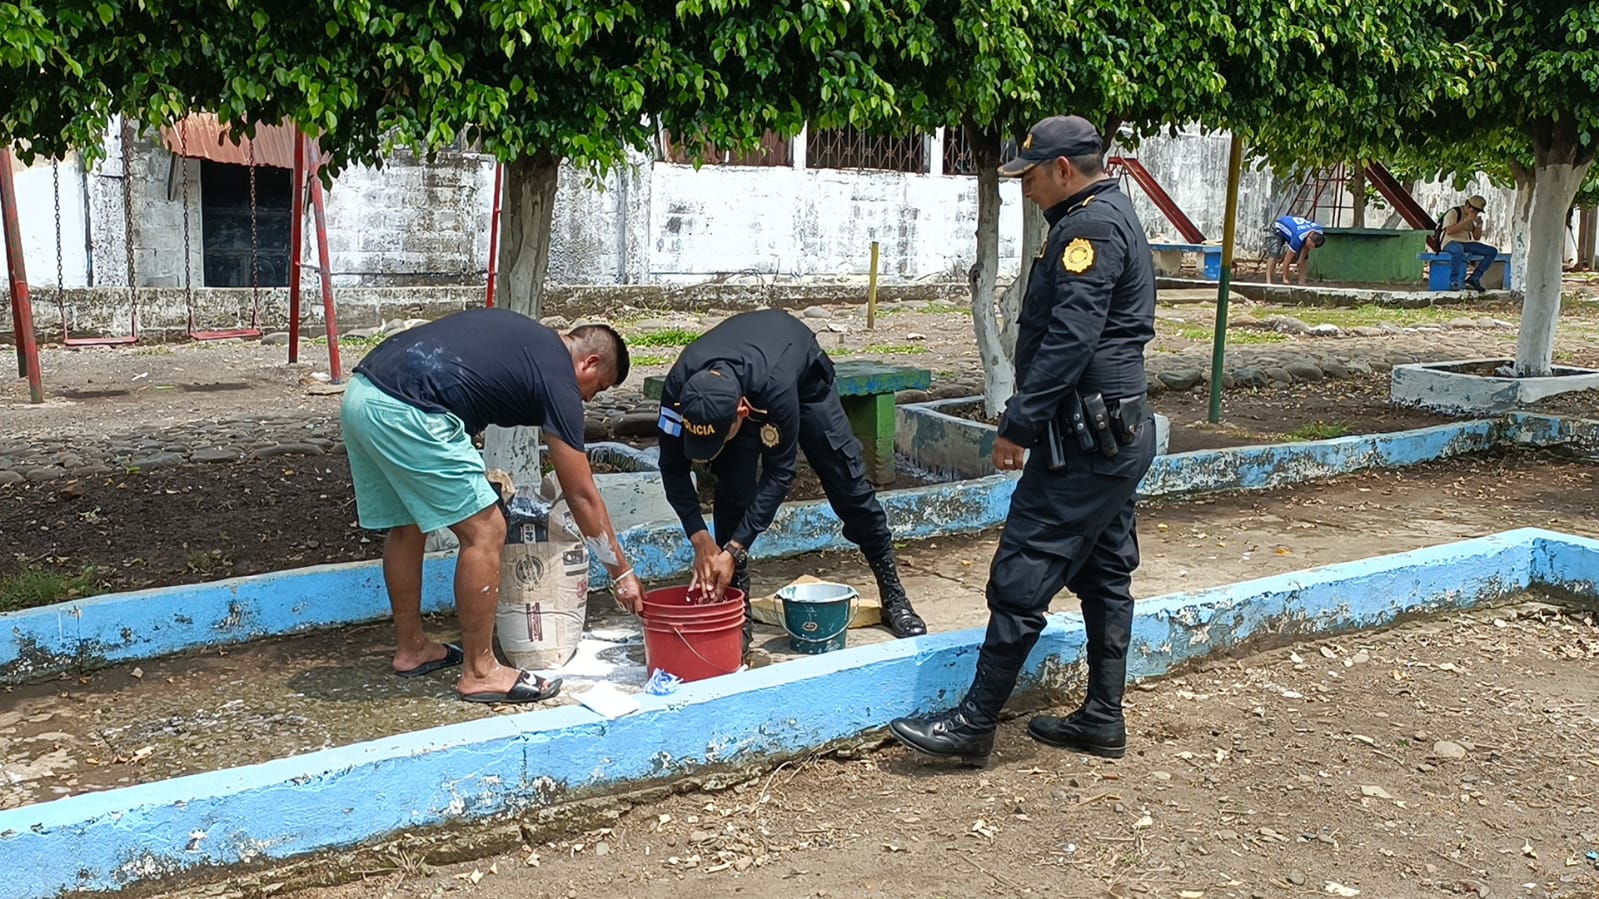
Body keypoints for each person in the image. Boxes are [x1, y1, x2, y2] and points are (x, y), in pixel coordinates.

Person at [887, 115, 1157, 766]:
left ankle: (974, 724)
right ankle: (1102, 717)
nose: (1024, 187)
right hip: (1112, 432)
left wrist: (1019, 423)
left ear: (1063, 169)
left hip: (1086, 438)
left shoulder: (1089, 228)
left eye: (1029, 176)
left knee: (1021, 570)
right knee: (1104, 570)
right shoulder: (1104, 214)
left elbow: (1069, 340)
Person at [341, 307, 644, 703]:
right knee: (486, 529)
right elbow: (581, 494)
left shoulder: (527, 339)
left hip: (363, 394)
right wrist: (622, 573)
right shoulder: (558, 376)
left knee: (407, 523)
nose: (588, 398)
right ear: (590, 361)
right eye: (597, 387)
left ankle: (411, 648)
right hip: (411, 410)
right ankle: (481, 671)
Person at [655, 309, 927, 650]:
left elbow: (780, 473)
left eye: (717, 441)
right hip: (745, 382)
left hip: (799, 376)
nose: (708, 452)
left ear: (741, 412)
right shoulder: (679, 389)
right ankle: (738, 612)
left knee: (848, 485)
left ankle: (894, 594)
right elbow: (672, 466)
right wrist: (699, 537)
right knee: (733, 490)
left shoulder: (776, 387)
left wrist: (734, 549)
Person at [1437, 194, 1497, 292]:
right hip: (1450, 242)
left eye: (1478, 211)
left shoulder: (1473, 218)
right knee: (1458, 250)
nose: (1475, 213)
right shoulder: (1454, 213)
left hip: (1466, 242)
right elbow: (1449, 231)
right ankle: (1454, 281)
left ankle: (1474, 278)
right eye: (1474, 210)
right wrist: (1465, 220)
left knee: (1492, 251)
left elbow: (1476, 237)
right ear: (1467, 205)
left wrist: (1478, 226)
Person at [1265, 214, 1326, 286]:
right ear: (1309, 236)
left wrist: (1300, 259)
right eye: (1310, 245)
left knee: (1305, 258)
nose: (1310, 248)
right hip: (1278, 228)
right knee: (1274, 252)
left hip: (1294, 230)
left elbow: (1306, 247)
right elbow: (1287, 260)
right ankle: (1268, 282)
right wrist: (1285, 278)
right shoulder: (1298, 237)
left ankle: (1302, 282)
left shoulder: (1319, 231)